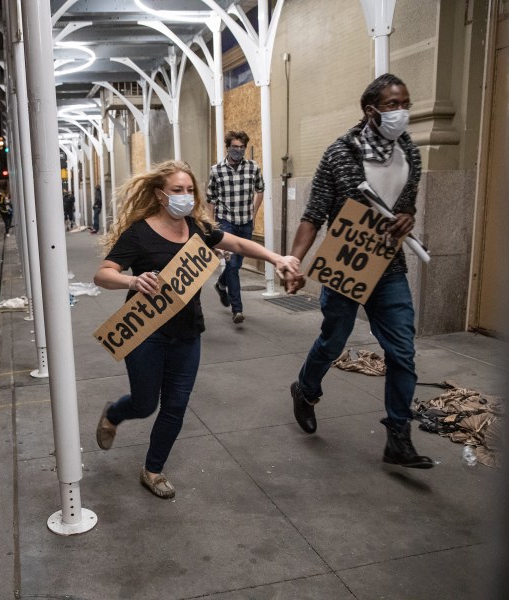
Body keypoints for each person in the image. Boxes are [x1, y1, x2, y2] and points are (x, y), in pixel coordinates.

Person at [93, 160, 300, 499]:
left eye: (190, 190)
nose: (185, 196)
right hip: (144, 332)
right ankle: (114, 413)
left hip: (187, 333)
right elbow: (103, 273)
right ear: (161, 195)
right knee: (146, 404)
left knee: (175, 405)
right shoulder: (139, 233)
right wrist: (132, 279)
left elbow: (240, 245)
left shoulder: (198, 229)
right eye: (177, 191)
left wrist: (276, 258)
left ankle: (153, 469)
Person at [285, 73, 433, 469]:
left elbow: (406, 205)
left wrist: (406, 216)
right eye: (392, 105)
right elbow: (314, 214)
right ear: (371, 111)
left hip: (389, 267)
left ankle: (398, 438)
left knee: (402, 351)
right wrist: (294, 260)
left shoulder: (410, 155)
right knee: (334, 341)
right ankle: (306, 389)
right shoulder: (339, 154)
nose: (401, 112)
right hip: (346, 264)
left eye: (406, 103)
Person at [206, 130, 265, 325]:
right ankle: (237, 309)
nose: (238, 150)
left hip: (245, 222)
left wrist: (253, 213)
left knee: (237, 264)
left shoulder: (253, 167)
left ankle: (221, 285)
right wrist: (211, 225)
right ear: (228, 147)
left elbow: (260, 190)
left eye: (241, 147)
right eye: (235, 147)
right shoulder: (217, 170)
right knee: (232, 265)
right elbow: (210, 199)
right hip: (226, 222)